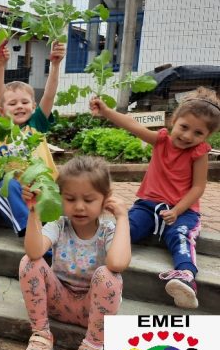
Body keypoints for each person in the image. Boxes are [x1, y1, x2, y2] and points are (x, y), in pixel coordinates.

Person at [90, 88, 220, 309]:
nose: (188, 136)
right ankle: (95, 266)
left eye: (198, 133)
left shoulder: (198, 153)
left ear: (206, 137)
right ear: (174, 121)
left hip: (183, 211)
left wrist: (177, 210)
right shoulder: (161, 141)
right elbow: (133, 125)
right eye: (184, 127)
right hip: (147, 206)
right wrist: (106, 111)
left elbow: (198, 187)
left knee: (180, 236)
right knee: (124, 230)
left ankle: (185, 277)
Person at [19, 155, 130, 350]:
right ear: (60, 198)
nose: (79, 206)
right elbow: (34, 251)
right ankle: (41, 336)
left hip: (93, 309)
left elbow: (118, 263)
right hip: (59, 303)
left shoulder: (108, 230)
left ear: (105, 199)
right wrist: (34, 211)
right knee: (29, 262)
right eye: (70, 199)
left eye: (89, 199)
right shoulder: (59, 225)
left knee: (108, 275)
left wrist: (122, 218)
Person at [0, 41, 65, 236]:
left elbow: (49, 95)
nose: (19, 106)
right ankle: (28, 230)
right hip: (19, 193)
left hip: (43, 188)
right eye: (13, 103)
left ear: (33, 106)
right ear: (1, 111)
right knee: (5, 185)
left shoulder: (36, 123)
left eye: (25, 102)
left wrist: (55, 65)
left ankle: (47, 229)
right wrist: (0, 66)